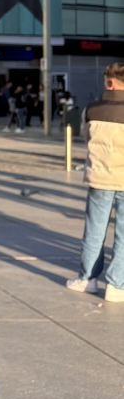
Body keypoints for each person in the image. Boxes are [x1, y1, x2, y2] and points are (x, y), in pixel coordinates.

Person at [66, 63, 124, 301]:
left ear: (110, 83)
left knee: (94, 230)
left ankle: (87, 279)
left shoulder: (91, 109)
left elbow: (84, 136)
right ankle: (116, 286)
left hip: (99, 177)